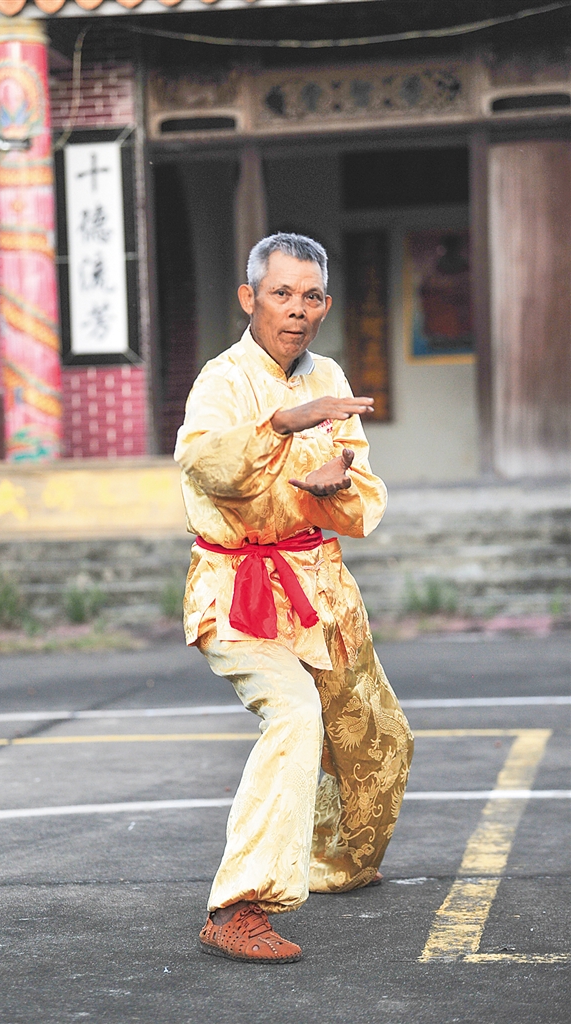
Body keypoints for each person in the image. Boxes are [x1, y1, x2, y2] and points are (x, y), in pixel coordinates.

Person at [174, 233, 413, 964]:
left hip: (319, 587)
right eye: (281, 293)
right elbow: (205, 465)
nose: (297, 309)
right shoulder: (221, 381)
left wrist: (336, 485)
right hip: (239, 591)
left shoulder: (328, 375)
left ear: (326, 305)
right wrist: (280, 424)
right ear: (249, 298)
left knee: (377, 734)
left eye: (311, 296)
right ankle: (237, 907)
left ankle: (332, 863)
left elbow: (361, 491)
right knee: (294, 714)